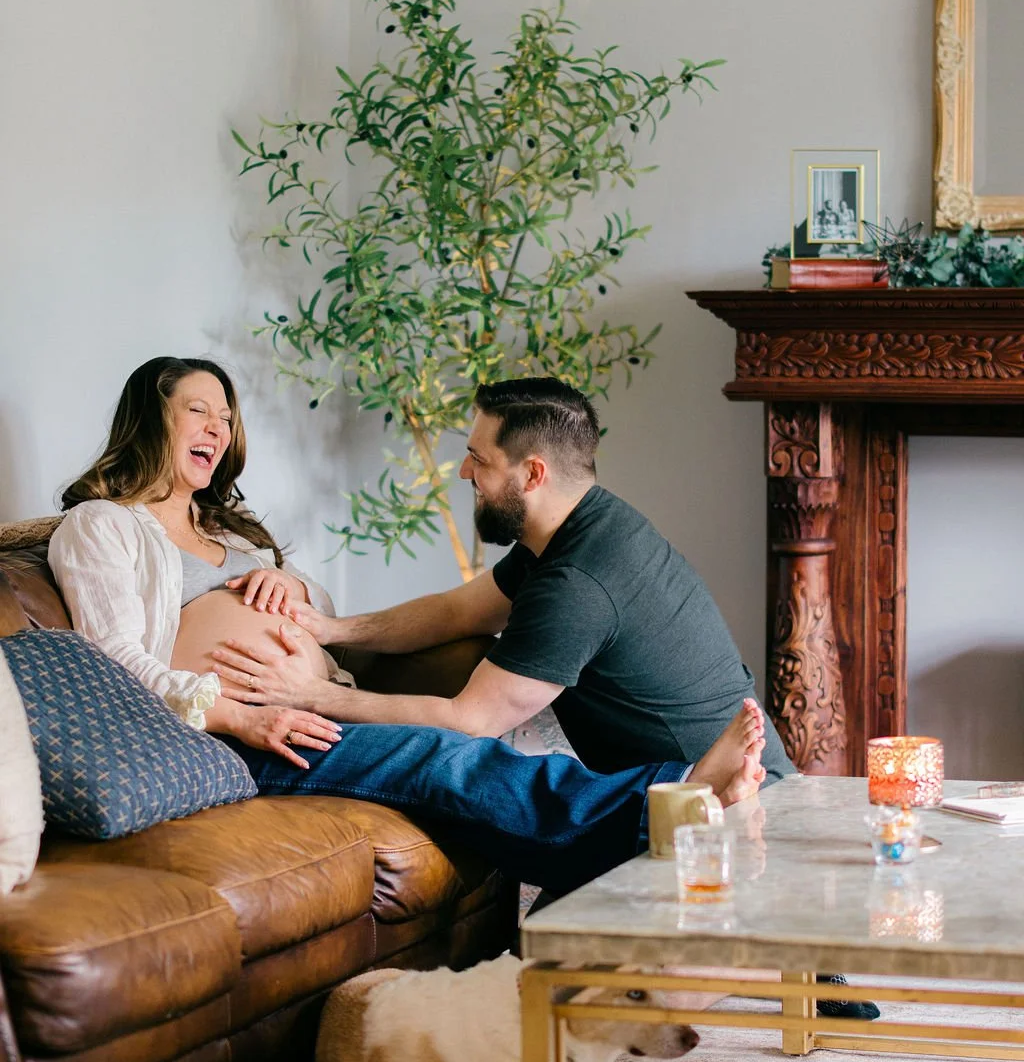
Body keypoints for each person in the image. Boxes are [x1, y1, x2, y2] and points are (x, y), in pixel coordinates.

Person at [48, 357, 765, 902]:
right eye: (197, 411)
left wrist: (294, 588)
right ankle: (675, 801)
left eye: (226, 417)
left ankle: (643, 841)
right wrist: (239, 714)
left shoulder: (226, 530)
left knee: (470, 762)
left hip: (300, 709)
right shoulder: (102, 527)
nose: (218, 427)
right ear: (150, 420)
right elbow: (110, 661)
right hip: (235, 735)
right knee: (451, 763)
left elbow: (326, 617)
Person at [212, 377, 793, 788]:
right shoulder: (577, 528)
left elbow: (471, 721)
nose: (464, 473)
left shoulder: (577, 584)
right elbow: (456, 612)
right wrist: (333, 627)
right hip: (679, 786)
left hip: (717, 798)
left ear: (532, 473)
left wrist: (313, 697)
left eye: (478, 460)